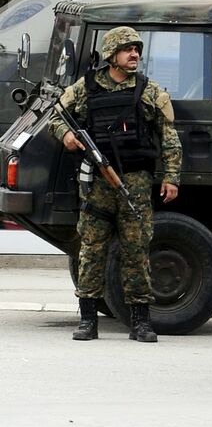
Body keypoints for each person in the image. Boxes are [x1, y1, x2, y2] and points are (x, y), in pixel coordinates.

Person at [49, 26, 182, 343]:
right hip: (97, 183)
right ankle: (87, 320)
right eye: (127, 49)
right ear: (111, 55)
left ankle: (141, 322)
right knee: (91, 250)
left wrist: (171, 177)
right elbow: (56, 116)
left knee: (137, 251)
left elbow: (169, 137)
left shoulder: (148, 91)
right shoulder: (86, 88)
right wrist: (65, 135)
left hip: (136, 183)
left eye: (137, 49)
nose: (134, 54)